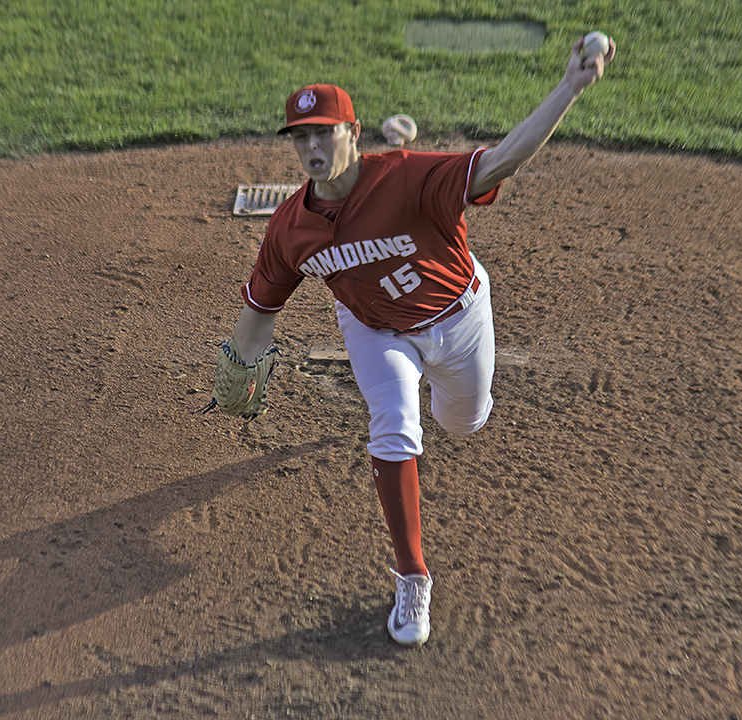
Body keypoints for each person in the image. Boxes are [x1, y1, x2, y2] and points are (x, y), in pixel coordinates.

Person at [227, 37, 615, 647]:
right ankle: (413, 576)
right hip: (374, 330)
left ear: (353, 132)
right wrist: (241, 364)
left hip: (458, 316)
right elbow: (260, 307)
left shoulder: (409, 179)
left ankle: (450, 398)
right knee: (394, 425)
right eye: (299, 137)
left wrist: (570, 86)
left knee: (464, 421)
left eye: (323, 133)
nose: (309, 147)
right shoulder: (291, 227)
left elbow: (502, 160)